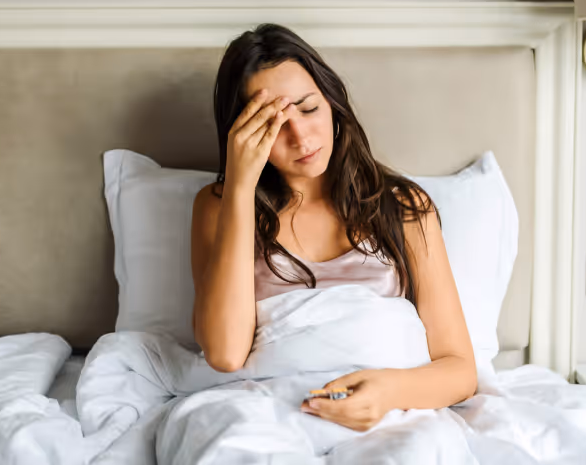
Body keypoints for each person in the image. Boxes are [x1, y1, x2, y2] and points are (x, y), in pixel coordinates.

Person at [189, 23, 476, 433]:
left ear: (333, 104)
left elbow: (461, 370)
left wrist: (389, 392)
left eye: (308, 109)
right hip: (269, 412)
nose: (300, 136)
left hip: (389, 413)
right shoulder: (219, 207)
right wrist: (239, 186)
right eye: (273, 125)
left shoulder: (403, 208)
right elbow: (225, 354)